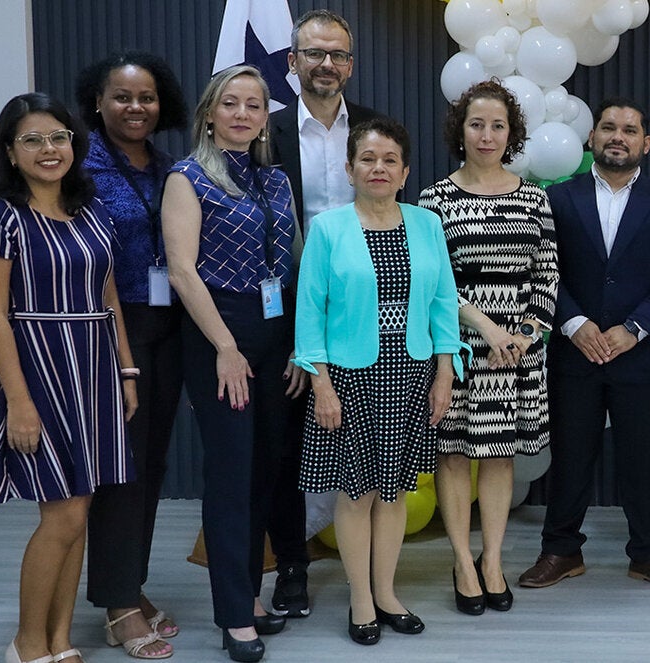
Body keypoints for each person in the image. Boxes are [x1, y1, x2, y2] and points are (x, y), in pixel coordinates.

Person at [519, 98, 650, 592]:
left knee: (643, 457)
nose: (618, 136)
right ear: (592, 137)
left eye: (630, 129)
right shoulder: (557, 199)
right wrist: (574, 323)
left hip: (640, 353)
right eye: (609, 127)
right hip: (574, 350)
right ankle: (560, 550)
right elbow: (541, 268)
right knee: (571, 455)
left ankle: (649, 553)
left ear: (646, 143)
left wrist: (634, 328)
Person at [294, 118, 461, 645]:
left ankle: (386, 593)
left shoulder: (426, 225)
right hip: (349, 379)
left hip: (411, 375)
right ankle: (360, 599)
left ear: (405, 172)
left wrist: (444, 372)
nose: (379, 168)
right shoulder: (328, 229)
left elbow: (443, 305)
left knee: (394, 492)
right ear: (350, 169)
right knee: (357, 492)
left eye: (390, 159)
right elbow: (309, 313)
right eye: (367, 159)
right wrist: (320, 383)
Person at [162, 65, 300, 663]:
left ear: (265, 118)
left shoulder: (275, 179)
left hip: (276, 333)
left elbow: (291, 264)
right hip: (219, 335)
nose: (242, 114)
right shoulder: (187, 178)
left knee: (265, 471)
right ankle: (233, 616)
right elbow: (181, 270)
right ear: (209, 113)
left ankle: (250, 595)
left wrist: (297, 345)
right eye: (230, 103)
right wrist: (224, 347)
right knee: (230, 475)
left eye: (254, 105)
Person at [0, 92, 137, 663]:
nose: (48, 149)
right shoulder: (4, 216)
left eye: (58, 137)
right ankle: (27, 642)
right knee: (63, 512)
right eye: (32, 140)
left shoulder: (91, 209)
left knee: (81, 509)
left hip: (96, 369)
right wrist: (18, 400)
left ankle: (59, 638)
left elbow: (109, 296)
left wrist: (127, 371)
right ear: (10, 152)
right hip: (40, 370)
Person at [419, 79, 558, 616]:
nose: (487, 135)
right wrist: (488, 328)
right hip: (457, 349)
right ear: (461, 130)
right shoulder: (434, 199)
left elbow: (547, 273)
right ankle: (462, 561)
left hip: (517, 353)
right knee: (454, 454)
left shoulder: (533, 196)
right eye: (476, 124)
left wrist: (526, 333)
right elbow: (434, 282)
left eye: (498, 125)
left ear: (511, 133)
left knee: (501, 458)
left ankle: (492, 560)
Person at [265, 9, 386, 618]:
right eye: (314, 53)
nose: (326, 64)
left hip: (366, 310)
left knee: (370, 442)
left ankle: (374, 578)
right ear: (293, 62)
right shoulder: (265, 132)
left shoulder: (373, 129)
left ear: (351, 64)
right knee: (287, 444)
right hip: (287, 306)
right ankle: (292, 565)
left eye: (337, 54)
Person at [74, 50, 187, 660]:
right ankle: (117, 605)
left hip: (168, 326)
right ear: (98, 102)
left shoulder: (169, 167)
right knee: (121, 471)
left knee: (151, 467)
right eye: (122, 96)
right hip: (114, 332)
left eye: (146, 97)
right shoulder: (79, 167)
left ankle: (129, 584)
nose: (135, 107)